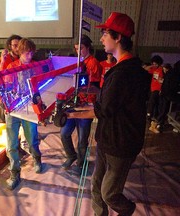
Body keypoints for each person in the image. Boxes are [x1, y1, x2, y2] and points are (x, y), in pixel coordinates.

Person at [68, 12, 151, 215]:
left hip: (120, 144)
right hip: (108, 139)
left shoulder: (125, 73)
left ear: (119, 37)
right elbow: (113, 101)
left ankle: (127, 209)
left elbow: (104, 109)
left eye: (106, 33)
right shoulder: (122, 69)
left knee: (109, 193)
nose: (102, 38)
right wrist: (96, 92)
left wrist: (71, 114)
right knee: (96, 187)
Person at [5, 38, 42, 190]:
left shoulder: (35, 67)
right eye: (27, 52)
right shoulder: (11, 67)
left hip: (29, 108)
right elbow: (5, 86)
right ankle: (14, 173)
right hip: (13, 109)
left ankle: (37, 158)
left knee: (32, 138)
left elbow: (40, 86)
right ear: (20, 51)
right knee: (11, 144)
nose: (29, 55)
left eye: (32, 52)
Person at [60, 35, 101, 173]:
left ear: (87, 47)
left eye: (81, 48)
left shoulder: (93, 63)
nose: (78, 51)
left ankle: (81, 163)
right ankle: (72, 156)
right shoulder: (75, 62)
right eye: (76, 48)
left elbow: (94, 87)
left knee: (82, 139)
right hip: (73, 103)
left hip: (85, 105)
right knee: (64, 133)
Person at [0, 34, 22, 123]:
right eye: (15, 45)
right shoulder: (5, 58)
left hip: (17, 90)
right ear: (10, 46)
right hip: (6, 90)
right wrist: (2, 61)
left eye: (19, 45)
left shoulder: (21, 58)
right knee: (4, 116)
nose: (17, 48)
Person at [145, 55, 164, 121]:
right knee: (154, 103)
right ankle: (153, 116)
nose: (154, 65)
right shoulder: (154, 69)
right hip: (152, 88)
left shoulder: (162, 69)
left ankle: (148, 115)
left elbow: (163, 80)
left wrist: (161, 81)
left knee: (151, 102)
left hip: (157, 89)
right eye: (153, 64)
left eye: (156, 64)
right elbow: (145, 69)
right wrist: (152, 66)